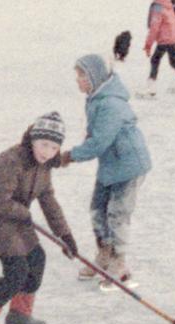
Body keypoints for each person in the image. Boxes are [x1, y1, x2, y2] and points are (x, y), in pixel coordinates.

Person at [0, 114, 76, 324]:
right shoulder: (12, 160)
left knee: (37, 259)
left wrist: (65, 236)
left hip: (16, 218)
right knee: (17, 270)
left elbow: (48, 201)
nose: (48, 151)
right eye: (44, 144)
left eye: (54, 147)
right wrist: (24, 213)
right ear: (33, 139)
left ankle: (19, 315)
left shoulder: (44, 167)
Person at [56, 54, 151, 289]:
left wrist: (69, 156)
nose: (77, 80)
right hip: (110, 163)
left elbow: (99, 143)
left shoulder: (111, 103)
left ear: (94, 77)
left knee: (117, 213)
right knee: (98, 209)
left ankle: (120, 262)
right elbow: (94, 133)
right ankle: (104, 253)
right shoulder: (95, 97)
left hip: (128, 164)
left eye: (81, 76)